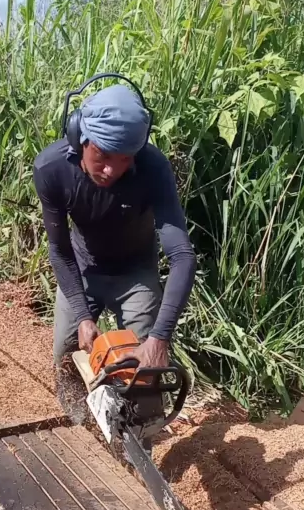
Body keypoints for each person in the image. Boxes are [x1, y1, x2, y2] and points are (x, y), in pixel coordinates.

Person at [33, 82, 197, 412]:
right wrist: (82, 316)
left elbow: (182, 256)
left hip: (135, 273)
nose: (111, 170)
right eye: (103, 155)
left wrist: (159, 338)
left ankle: (140, 432)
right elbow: (60, 250)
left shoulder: (153, 169)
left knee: (144, 370)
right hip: (82, 268)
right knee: (66, 357)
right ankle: (78, 421)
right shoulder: (51, 170)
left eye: (124, 160)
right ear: (79, 136)